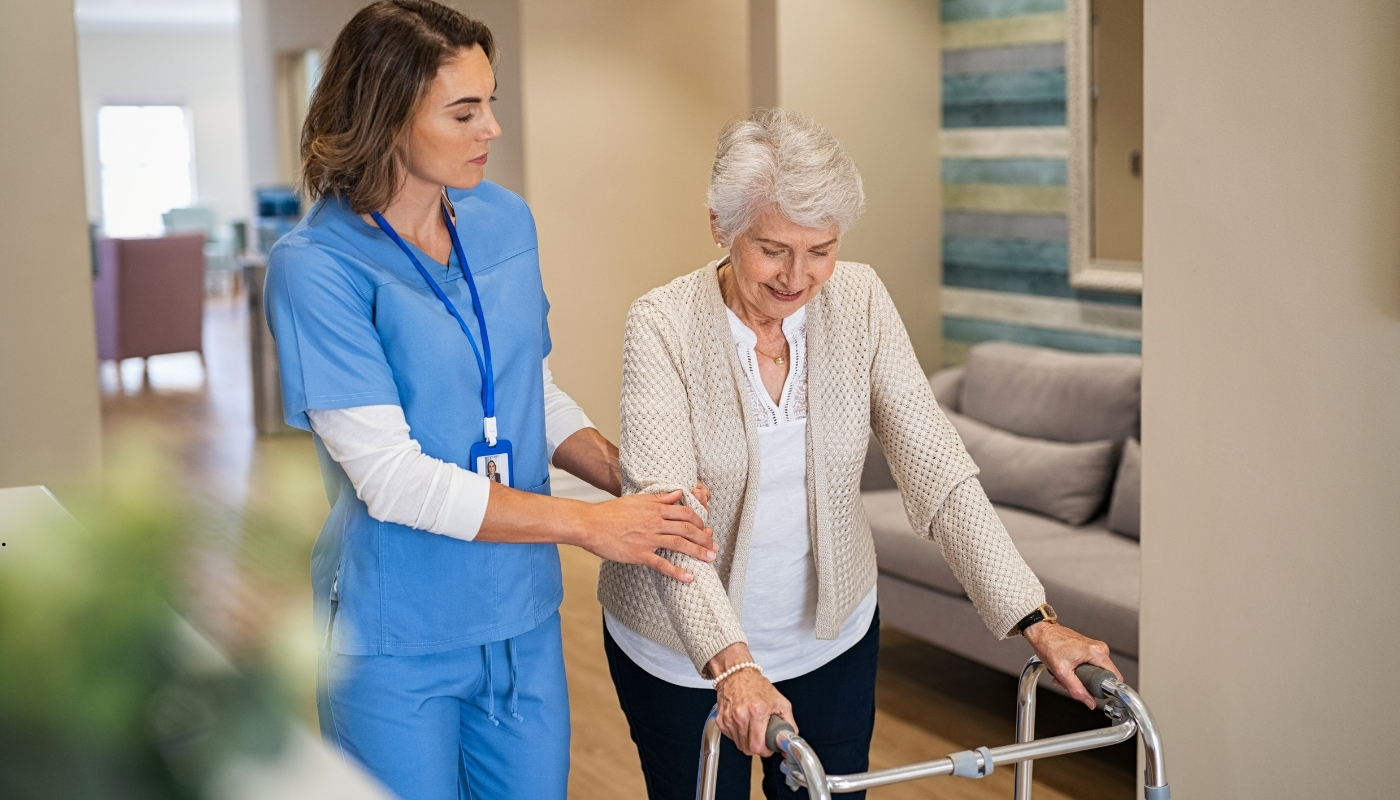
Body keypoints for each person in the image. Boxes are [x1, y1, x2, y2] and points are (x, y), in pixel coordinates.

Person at [597, 108, 1120, 800]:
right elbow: (670, 521)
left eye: (822, 249)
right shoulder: (662, 324)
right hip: (681, 651)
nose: (799, 276)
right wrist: (733, 668)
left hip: (830, 638)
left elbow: (937, 468)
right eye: (774, 248)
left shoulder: (861, 300)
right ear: (721, 228)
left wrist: (1035, 620)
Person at [264, 3, 715, 799]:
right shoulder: (317, 267)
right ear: (386, 114)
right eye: (464, 110)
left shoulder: (505, 221)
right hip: (396, 635)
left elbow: (524, 392)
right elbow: (391, 479)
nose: (491, 129)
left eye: (491, 102)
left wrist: (628, 481)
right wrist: (591, 525)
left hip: (520, 616)